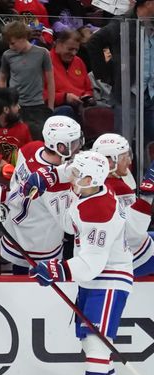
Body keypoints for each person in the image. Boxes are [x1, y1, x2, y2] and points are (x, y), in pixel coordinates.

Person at [27, 151, 130, 375]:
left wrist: (55, 270)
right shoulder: (90, 193)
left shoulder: (99, 210)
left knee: (97, 343)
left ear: (89, 178)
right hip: (95, 278)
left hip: (109, 278)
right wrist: (47, 180)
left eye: (76, 173)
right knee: (90, 342)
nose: (71, 176)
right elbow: (69, 224)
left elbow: (91, 265)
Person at [0, 116, 83, 274]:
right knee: (35, 293)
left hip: (16, 228)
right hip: (40, 244)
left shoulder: (31, 148)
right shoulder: (55, 185)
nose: (78, 147)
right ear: (60, 147)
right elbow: (70, 225)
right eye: (73, 143)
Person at [86, 0, 154, 150]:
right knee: (123, 144)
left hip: (150, 94)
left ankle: (148, 173)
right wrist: (107, 74)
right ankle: (124, 173)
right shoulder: (122, 23)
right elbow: (94, 42)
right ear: (149, 3)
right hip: (128, 93)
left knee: (150, 145)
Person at [92, 134, 154, 277]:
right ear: (110, 162)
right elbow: (133, 234)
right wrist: (147, 197)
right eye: (125, 157)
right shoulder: (118, 188)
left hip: (101, 255)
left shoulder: (91, 182)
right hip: (127, 260)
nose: (130, 160)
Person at [0, 21, 55, 140]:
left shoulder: (42, 53)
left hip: (37, 106)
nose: (10, 47)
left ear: (23, 38)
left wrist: (50, 107)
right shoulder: (7, 55)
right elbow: (2, 80)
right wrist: (4, 103)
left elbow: (50, 81)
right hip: (15, 106)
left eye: (13, 43)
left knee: (37, 140)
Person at [47, 29, 94, 120]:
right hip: (56, 106)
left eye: (76, 50)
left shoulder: (78, 61)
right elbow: (40, 93)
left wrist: (87, 97)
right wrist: (64, 97)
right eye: (70, 49)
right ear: (58, 44)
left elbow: (88, 88)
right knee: (67, 110)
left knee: (103, 110)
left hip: (80, 105)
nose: (73, 53)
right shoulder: (45, 61)